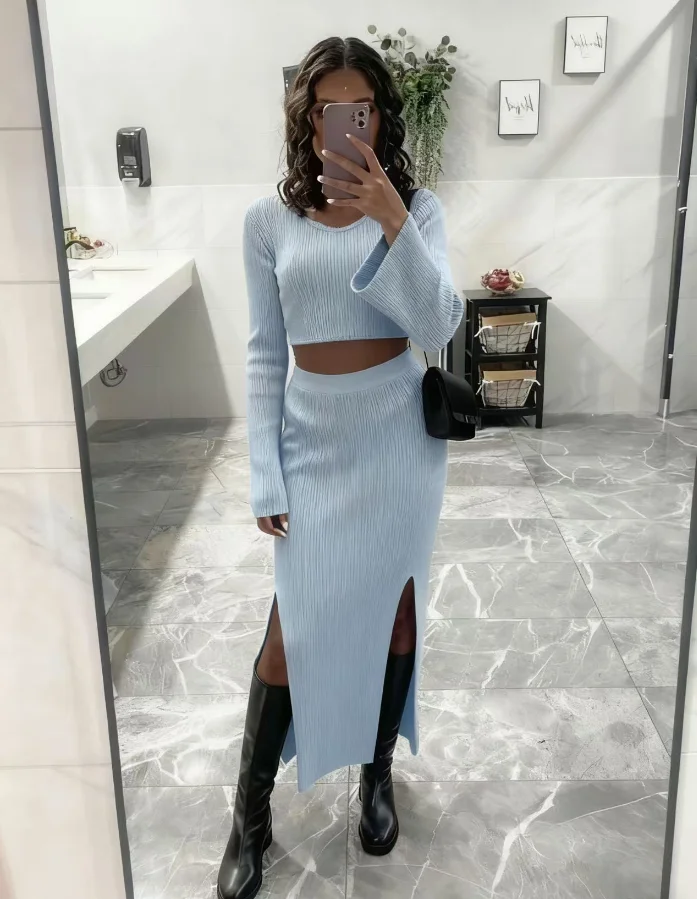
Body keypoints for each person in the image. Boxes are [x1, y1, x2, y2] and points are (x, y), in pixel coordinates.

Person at [217, 35, 463, 899]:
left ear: (380, 117)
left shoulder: (418, 209)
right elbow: (263, 353)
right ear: (307, 118)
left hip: (396, 442)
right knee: (290, 635)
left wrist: (392, 220)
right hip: (312, 441)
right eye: (328, 110)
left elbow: (437, 326)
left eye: (358, 109)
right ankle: (248, 817)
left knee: (396, 621)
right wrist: (264, 470)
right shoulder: (267, 221)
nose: (344, 124)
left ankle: (376, 773)